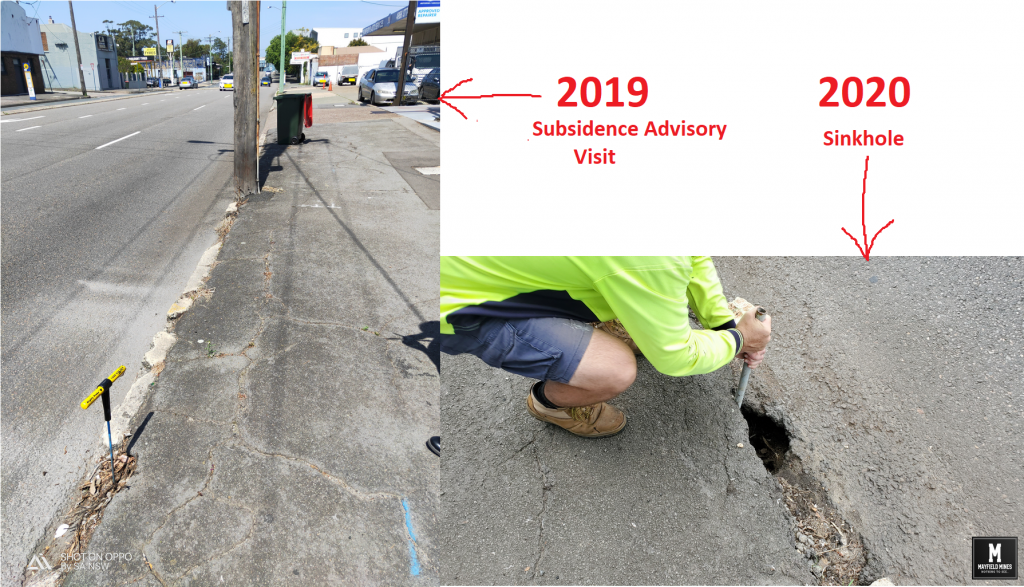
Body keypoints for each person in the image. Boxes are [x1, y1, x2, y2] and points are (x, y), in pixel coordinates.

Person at [439, 257, 772, 438]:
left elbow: (692, 258)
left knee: (640, 306)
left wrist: (725, 326)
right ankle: (549, 403)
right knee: (616, 369)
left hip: (497, 272)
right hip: (464, 305)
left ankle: (587, 331)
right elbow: (676, 356)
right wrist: (740, 340)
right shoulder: (649, 257)